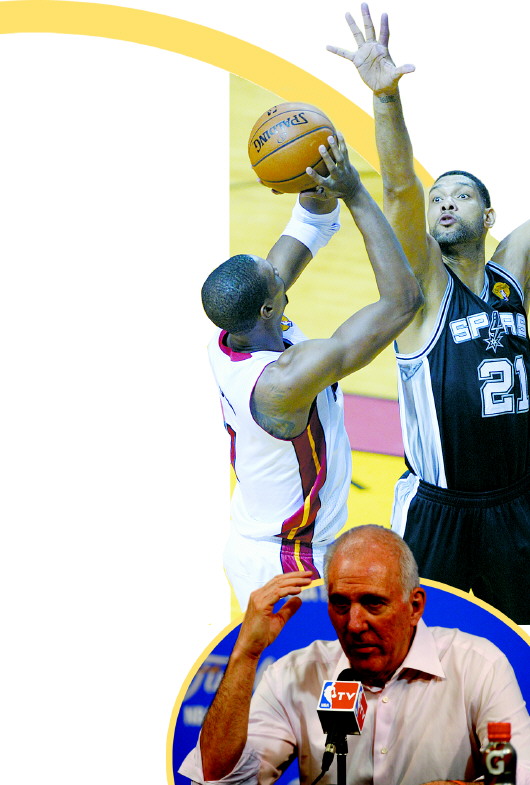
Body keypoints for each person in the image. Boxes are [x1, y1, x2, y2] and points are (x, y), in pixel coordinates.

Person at [326, 5, 530, 623]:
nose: (444, 203)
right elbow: (399, 190)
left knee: (514, 640)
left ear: (488, 218)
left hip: (514, 501)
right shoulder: (425, 289)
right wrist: (385, 99)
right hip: (439, 510)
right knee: (418, 643)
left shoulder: (510, 277)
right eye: (438, 196)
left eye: (461, 196)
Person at [202, 131, 422, 609]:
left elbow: (310, 222)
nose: (281, 273)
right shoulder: (284, 380)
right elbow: (403, 302)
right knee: (319, 661)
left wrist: (316, 169)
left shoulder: (242, 326)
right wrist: (355, 192)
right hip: (288, 562)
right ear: (267, 308)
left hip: (269, 543)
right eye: (276, 278)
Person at [179, 525, 530, 785]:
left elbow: (522, 776)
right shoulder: (295, 674)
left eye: (373, 603)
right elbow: (217, 780)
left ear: (414, 606)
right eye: (340, 604)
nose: (355, 624)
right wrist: (245, 654)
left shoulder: (478, 665)